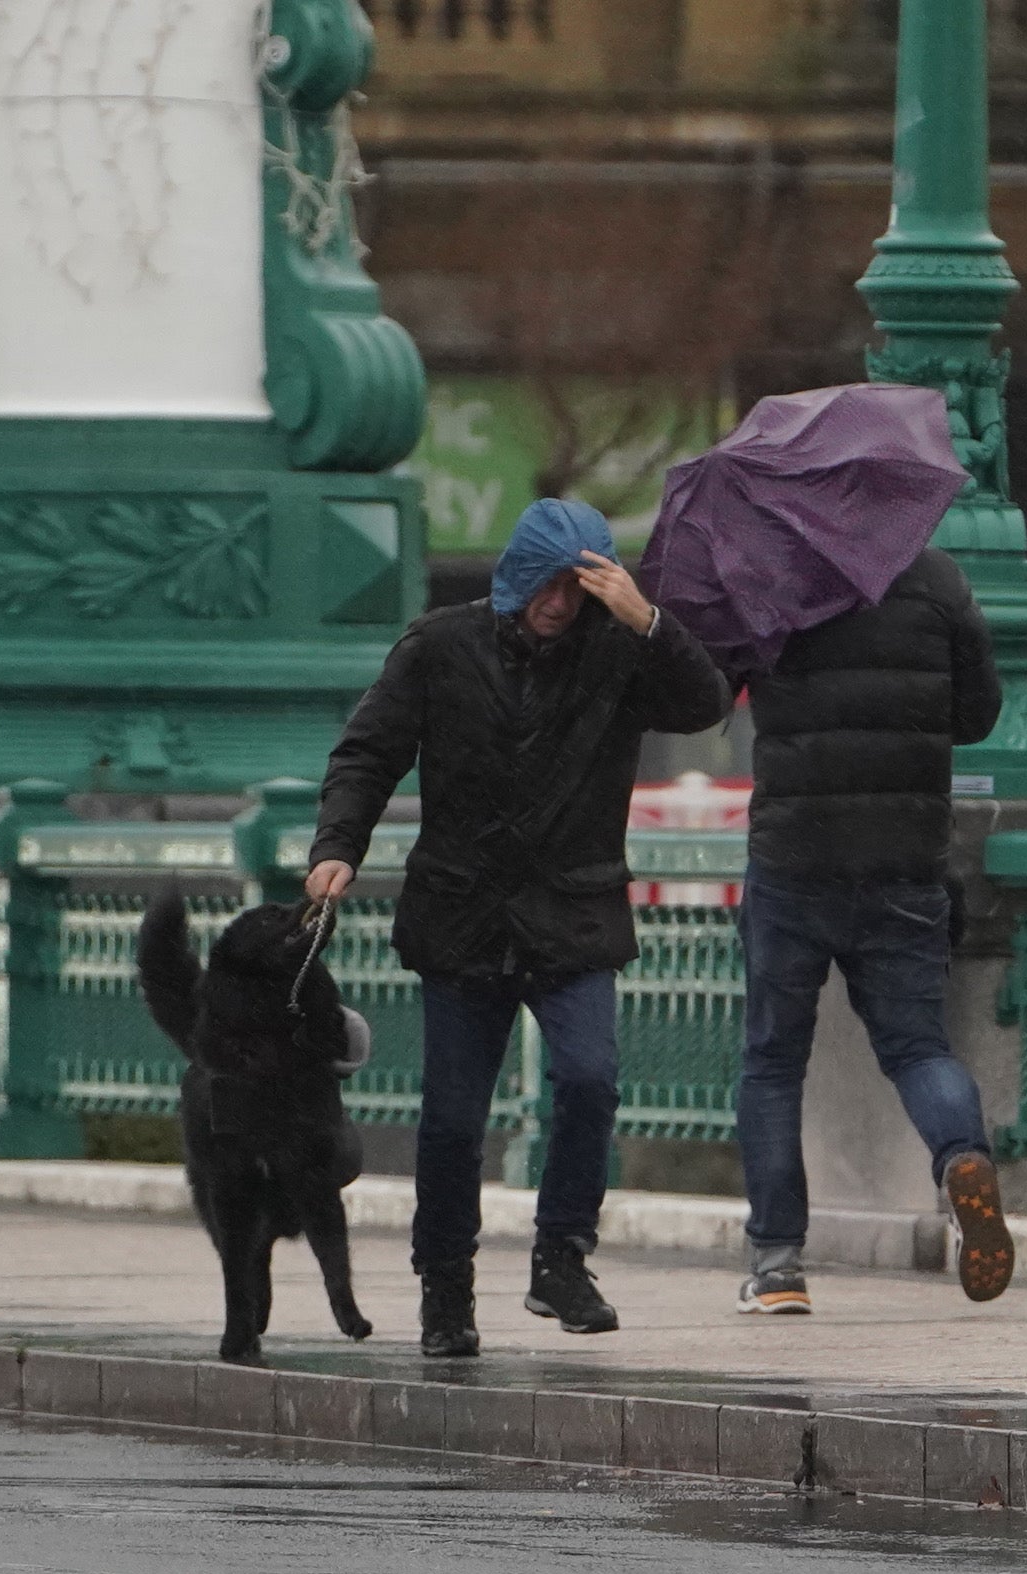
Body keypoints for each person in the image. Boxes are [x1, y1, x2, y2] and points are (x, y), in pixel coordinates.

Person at [305, 498, 729, 1357]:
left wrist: (650, 622)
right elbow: (369, 751)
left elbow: (704, 703)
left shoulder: (620, 649)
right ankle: (445, 1288)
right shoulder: (438, 644)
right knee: (455, 1119)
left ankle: (561, 1258)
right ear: (517, 576)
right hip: (463, 912)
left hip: (572, 910)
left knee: (588, 1080)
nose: (562, 603)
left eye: (580, 586)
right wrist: (337, 846)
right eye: (550, 584)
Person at [730, 546, 1015, 1315]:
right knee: (918, 1046)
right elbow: (979, 712)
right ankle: (961, 1158)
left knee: (771, 1061)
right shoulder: (937, 577)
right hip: (903, 855)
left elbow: (706, 693)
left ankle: (779, 1264)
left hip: (794, 855)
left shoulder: (769, 573)